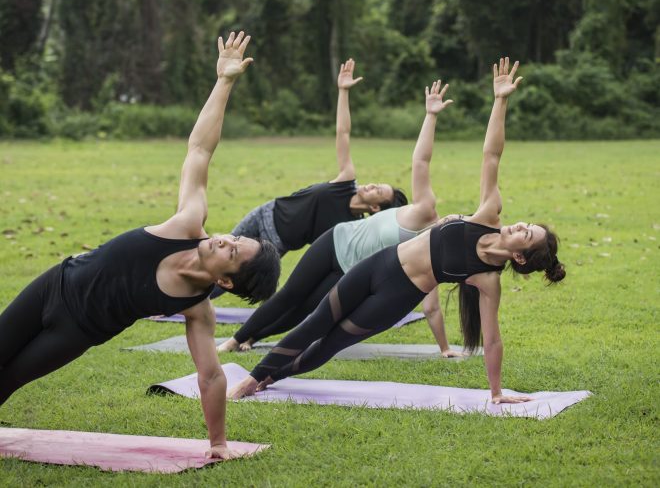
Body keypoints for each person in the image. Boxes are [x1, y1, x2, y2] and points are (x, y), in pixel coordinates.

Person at [0, 31, 280, 459]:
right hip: (55, 285)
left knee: (9, 379)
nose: (226, 238)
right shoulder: (187, 223)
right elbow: (200, 149)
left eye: (233, 251)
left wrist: (219, 443)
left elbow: (211, 377)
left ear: (225, 280)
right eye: (235, 238)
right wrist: (224, 82)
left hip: (77, 331)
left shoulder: (196, 307)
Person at [229, 57, 566, 403]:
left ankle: (271, 377)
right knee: (317, 320)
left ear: (519, 257)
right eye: (528, 224)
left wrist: (496, 393)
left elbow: (493, 340)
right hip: (380, 265)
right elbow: (492, 154)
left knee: (331, 343)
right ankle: (253, 377)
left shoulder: (487, 280)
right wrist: (500, 101)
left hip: (398, 296)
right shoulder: (488, 213)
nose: (521, 225)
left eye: (526, 233)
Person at [219, 79, 463, 357]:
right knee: (291, 295)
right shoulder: (424, 211)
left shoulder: (428, 253)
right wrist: (431, 116)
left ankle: (254, 336)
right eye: (456, 220)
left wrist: (444, 348)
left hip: (347, 269)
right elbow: (421, 161)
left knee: (305, 311)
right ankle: (235, 339)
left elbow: (431, 305)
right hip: (335, 242)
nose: (451, 221)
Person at [219, 58, 407, 262]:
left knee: (236, 276)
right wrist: (343, 92)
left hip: (277, 244)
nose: (371, 185)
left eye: (377, 191)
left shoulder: (351, 228)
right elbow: (343, 133)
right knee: (218, 260)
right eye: (376, 184)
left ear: (375, 208)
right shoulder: (346, 183)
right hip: (265, 213)